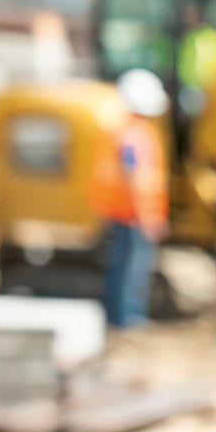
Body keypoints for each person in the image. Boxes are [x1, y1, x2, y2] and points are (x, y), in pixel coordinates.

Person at [89, 67, 169, 329]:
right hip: (133, 216)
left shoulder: (120, 130)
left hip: (119, 213)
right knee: (132, 273)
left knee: (120, 269)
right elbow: (139, 181)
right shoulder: (138, 136)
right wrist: (149, 219)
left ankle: (118, 318)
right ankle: (128, 320)